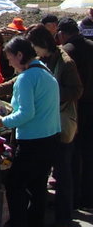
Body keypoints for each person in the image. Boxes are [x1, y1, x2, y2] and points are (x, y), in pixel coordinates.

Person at [0, 36, 60, 227]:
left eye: (10, 58)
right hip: (51, 138)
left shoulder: (26, 78)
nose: (9, 63)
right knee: (38, 186)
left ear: (20, 55)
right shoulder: (45, 71)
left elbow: (26, 113)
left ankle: (18, 222)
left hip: (33, 142)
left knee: (15, 184)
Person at [26, 25, 82, 227]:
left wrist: (51, 95)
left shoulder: (65, 62)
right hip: (47, 124)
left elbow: (77, 90)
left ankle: (64, 218)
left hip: (60, 124)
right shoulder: (43, 61)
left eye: (33, 46)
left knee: (62, 173)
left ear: (41, 44)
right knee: (46, 171)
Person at [57, 17, 93, 210]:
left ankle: (74, 198)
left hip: (75, 108)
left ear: (61, 34)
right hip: (90, 106)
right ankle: (88, 197)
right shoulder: (91, 46)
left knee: (72, 155)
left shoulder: (66, 52)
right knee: (88, 153)